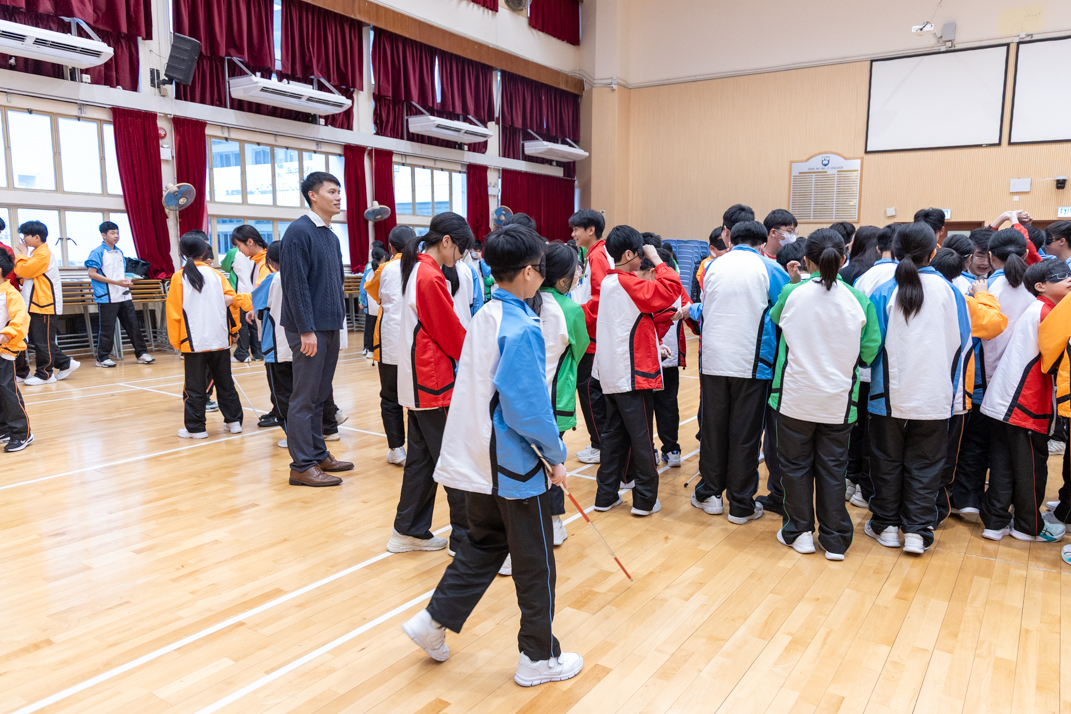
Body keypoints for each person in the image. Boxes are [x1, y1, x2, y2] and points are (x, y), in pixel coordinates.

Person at [401, 224, 582, 688]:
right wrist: (556, 455)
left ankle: (432, 621)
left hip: (474, 460)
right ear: (528, 272)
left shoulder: (486, 313)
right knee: (536, 562)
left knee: (483, 546)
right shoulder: (522, 327)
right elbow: (527, 408)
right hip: (510, 466)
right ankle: (538, 657)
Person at [769, 229, 880, 559]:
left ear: (806, 260)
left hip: (794, 398)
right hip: (839, 402)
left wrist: (795, 283)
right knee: (833, 470)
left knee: (794, 468)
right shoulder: (859, 300)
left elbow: (777, 318)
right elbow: (869, 351)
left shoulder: (792, 292)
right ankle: (834, 540)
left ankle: (800, 532)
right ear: (843, 259)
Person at [864, 222, 971, 555]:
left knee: (886, 463)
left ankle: (886, 526)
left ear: (895, 251)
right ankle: (917, 532)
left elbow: (870, 345)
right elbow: (963, 342)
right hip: (936, 396)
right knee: (926, 466)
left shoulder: (884, 291)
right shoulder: (952, 292)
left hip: (887, 397)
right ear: (934, 251)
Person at [691, 219, 789, 524]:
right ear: (763, 243)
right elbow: (783, 310)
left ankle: (709, 494)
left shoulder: (712, 266)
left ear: (730, 238)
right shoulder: (770, 269)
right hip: (752, 363)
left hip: (713, 361)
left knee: (713, 431)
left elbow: (705, 307)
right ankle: (741, 505)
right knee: (745, 436)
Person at [388, 212, 473, 554]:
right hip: (433, 381)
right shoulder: (428, 275)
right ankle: (464, 538)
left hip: (421, 380)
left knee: (422, 461)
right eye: (461, 251)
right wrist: (478, 355)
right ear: (447, 241)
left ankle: (408, 529)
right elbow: (448, 331)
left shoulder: (420, 268)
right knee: (455, 458)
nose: (461, 259)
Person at [592, 228, 682, 516]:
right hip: (632, 375)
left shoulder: (609, 282)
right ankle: (644, 500)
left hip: (612, 373)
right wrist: (658, 259)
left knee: (613, 437)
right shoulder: (627, 283)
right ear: (629, 254)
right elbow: (671, 290)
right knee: (642, 439)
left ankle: (605, 495)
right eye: (640, 253)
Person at [979, 259, 1070, 542]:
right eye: (1060, 276)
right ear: (1040, 286)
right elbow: (1056, 362)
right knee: (1031, 469)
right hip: (1025, 403)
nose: (1068, 279)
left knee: (1003, 465)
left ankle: (995, 522)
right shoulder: (1047, 312)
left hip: (1005, 401)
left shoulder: (1040, 308)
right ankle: (1028, 526)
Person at [952, 228, 1035, 515]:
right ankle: (1003, 508)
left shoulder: (983, 290)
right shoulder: (1035, 288)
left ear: (990, 255)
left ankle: (967, 498)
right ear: (1026, 254)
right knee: (1008, 450)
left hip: (981, 380)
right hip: (1023, 382)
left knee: (975, 441)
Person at [279, 171, 353, 488]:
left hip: (328, 326)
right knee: (304, 398)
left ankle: (318, 454)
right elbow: (295, 285)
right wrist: (306, 329)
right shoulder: (299, 232)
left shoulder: (331, 236)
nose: (338, 197)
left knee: (321, 396)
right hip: (309, 329)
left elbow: (335, 283)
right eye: (332, 191)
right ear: (313, 195)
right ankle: (301, 466)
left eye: (339, 191)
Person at [929, 247, 1007, 525]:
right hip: (955, 392)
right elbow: (994, 324)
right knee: (948, 454)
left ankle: (908, 512)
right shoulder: (961, 300)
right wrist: (983, 295)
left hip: (914, 390)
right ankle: (937, 509)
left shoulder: (907, 293)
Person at [166, 231, 247, 439]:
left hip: (193, 342)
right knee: (225, 383)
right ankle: (234, 422)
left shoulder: (179, 277)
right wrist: (234, 330)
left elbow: (174, 313)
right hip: (219, 339)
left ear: (182, 252)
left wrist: (176, 342)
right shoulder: (217, 275)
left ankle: (196, 428)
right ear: (204, 252)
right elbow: (232, 304)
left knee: (195, 386)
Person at [535, 241, 589, 545]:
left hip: (521, 401)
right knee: (553, 461)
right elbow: (579, 349)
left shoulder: (524, 300)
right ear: (563, 278)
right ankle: (553, 521)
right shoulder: (570, 309)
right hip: (553, 400)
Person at [845, 223, 900, 507]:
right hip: (888, 368)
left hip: (863, 364)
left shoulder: (863, 278)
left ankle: (852, 481)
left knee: (858, 428)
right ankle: (867, 488)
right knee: (877, 434)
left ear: (879, 248)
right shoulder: (904, 278)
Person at [365, 226, 415, 466]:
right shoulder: (426, 267)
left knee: (390, 397)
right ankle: (420, 449)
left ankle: (396, 449)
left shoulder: (385, 268)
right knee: (417, 398)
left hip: (390, 341)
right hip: (418, 342)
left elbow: (374, 293)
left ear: (391, 248)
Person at [639, 248, 692, 469]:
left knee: (646, 406)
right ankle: (672, 449)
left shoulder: (641, 289)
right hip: (664, 357)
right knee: (668, 404)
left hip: (649, 358)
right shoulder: (676, 288)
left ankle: (651, 450)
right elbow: (692, 315)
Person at [569, 208, 610, 465]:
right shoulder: (593, 254)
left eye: (576, 229)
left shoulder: (597, 256)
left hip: (592, 336)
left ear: (591, 230)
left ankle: (600, 444)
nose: (573, 234)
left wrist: (577, 317)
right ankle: (600, 441)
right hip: (592, 333)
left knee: (588, 391)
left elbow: (599, 297)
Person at [14, 220, 77, 385]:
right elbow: (25, 276)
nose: (23, 238)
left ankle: (45, 375)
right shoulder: (37, 253)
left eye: (25, 235)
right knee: (39, 340)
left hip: (44, 305)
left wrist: (22, 254)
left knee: (42, 341)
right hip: (37, 304)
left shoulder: (43, 254)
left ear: (36, 237)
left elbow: (23, 270)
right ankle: (65, 363)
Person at [85, 221, 154, 368]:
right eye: (112, 233)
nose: (116, 236)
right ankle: (102, 358)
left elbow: (119, 273)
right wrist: (115, 282)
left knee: (133, 325)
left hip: (124, 294)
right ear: (103, 235)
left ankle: (141, 354)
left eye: (117, 233)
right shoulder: (97, 252)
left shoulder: (119, 252)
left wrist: (126, 280)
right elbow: (92, 273)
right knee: (107, 329)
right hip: (107, 296)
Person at [252, 241, 292, 449]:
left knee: (282, 395)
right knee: (302, 394)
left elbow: (257, 306)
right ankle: (310, 433)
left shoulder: (272, 279)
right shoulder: (303, 276)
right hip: (303, 346)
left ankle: (294, 436)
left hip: (277, 347)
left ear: (270, 261)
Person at [0, 249, 31, 451]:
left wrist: (8, 333)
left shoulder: (10, 293)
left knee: (7, 389)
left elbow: (21, 317)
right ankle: (4, 428)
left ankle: (22, 433)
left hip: (5, 350)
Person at [227, 229, 262, 364]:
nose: (239, 249)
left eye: (238, 245)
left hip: (242, 295)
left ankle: (242, 353)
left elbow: (225, 266)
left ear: (249, 242)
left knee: (242, 326)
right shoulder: (257, 258)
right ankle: (258, 353)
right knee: (254, 326)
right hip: (252, 296)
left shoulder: (233, 252)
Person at [360, 244, 388, 358]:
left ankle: (369, 350)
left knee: (370, 328)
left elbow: (363, 286)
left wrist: (363, 301)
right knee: (381, 328)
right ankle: (379, 349)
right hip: (381, 302)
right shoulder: (385, 268)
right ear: (383, 257)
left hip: (371, 303)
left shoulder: (369, 269)